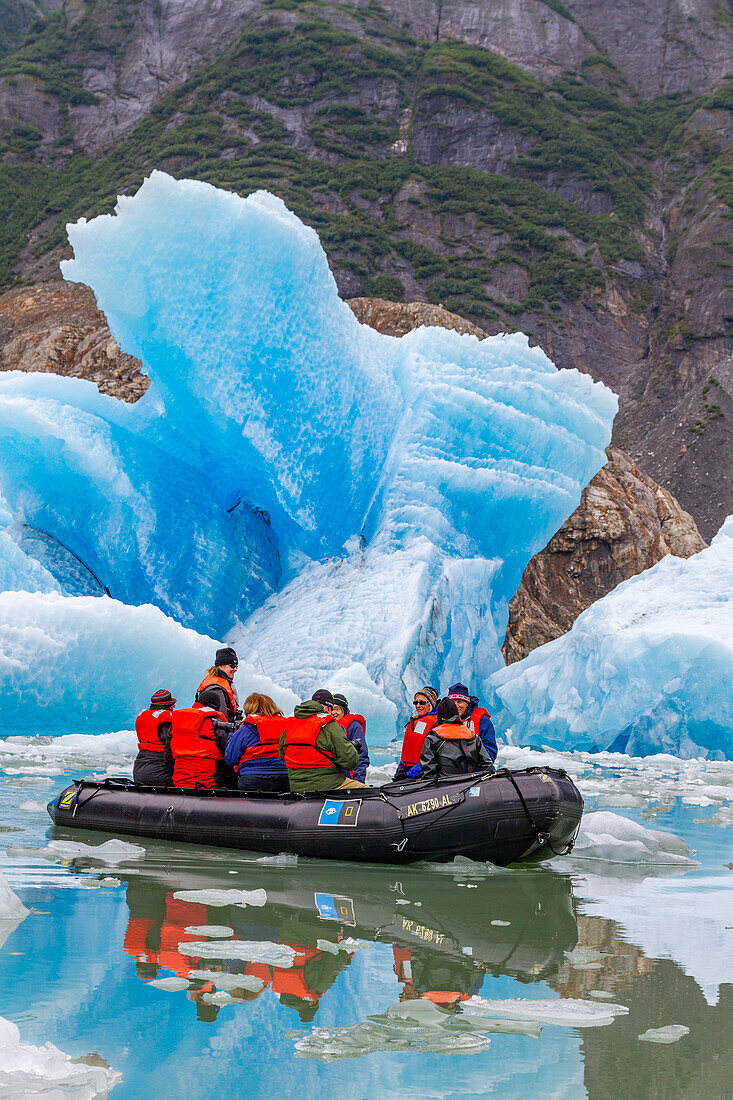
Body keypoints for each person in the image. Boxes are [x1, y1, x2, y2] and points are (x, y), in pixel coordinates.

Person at [278, 691, 367, 793]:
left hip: (296, 786)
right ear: (329, 707)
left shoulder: (290, 726)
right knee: (368, 792)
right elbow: (349, 762)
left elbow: (282, 757)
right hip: (328, 785)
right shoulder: (329, 725)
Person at [224, 693, 289, 793]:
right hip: (285, 777)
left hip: (252, 779)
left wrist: (231, 737)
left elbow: (231, 759)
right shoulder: (288, 727)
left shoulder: (245, 730)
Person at [418, 698, 494, 781]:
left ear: (440, 716)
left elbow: (428, 771)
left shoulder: (433, 737)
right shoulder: (473, 735)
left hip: (444, 786)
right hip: (470, 782)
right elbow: (487, 764)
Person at [169, 703, 235, 789]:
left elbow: (168, 756)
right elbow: (229, 756)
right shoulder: (216, 724)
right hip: (208, 783)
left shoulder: (178, 723)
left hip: (180, 781)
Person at [133, 689, 176, 787]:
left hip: (139, 768)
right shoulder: (166, 719)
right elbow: (170, 748)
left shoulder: (143, 716)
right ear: (170, 705)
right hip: (160, 770)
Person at [394, 687, 439, 781]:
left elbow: (433, 755)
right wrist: (400, 769)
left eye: (422, 702)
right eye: (416, 703)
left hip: (421, 772)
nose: (418, 705)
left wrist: (410, 774)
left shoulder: (435, 723)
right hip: (406, 769)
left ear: (430, 704)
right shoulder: (415, 720)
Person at [447, 683, 497, 762]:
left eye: (459, 702)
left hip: (476, 769)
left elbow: (490, 751)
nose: (456, 705)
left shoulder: (482, 720)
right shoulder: (444, 720)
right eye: (452, 702)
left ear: (467, 703)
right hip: (452, 768)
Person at [330, 692, 370, 783]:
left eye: (337, 709)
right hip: (331, 777)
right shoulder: (327, 726)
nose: (333, 712)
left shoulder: (354, 726)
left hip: (348, 776)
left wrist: (358, 781)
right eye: (331, 709)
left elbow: (361, 756)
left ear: (343, 710)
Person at [195, 647, 241, 726]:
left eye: (237, 666)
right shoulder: (216, 689)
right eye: (232, 666)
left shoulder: (222, 682)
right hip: (219, 735)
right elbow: (220, 720)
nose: (235, 669)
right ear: (221, 666)